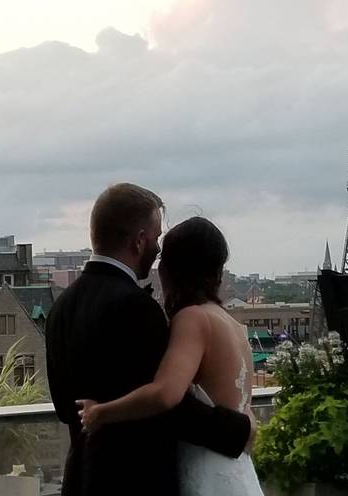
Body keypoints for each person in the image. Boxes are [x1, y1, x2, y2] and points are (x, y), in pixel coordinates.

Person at [45, 184, 253, 496]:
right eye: (155, 238)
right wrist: (240, 429)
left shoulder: (61, 307)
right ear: (140, 240)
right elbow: (170, 405)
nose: (157, 251)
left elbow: (66, 409)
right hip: (138, 478)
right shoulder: (137, 307)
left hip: (83, 478)